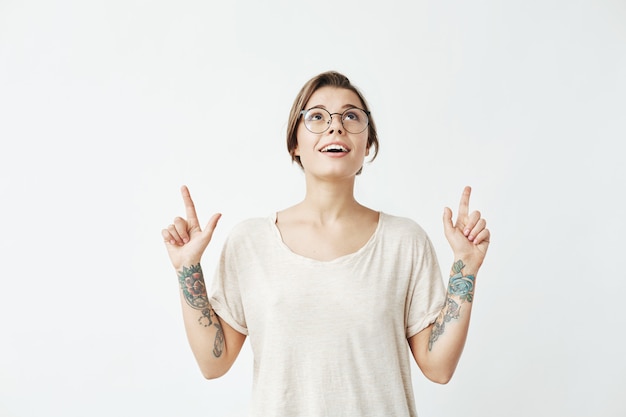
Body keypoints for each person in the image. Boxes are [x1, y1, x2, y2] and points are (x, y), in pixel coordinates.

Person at [161, 70, 490, 416]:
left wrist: (465, 266)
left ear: (368, 145)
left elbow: (438, 367)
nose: (336, 127)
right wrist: (187, 269)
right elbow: (215, 362)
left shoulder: (404, 242)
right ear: (295, 143)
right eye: (317, 116)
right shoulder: (251, 242)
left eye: (351, 116)